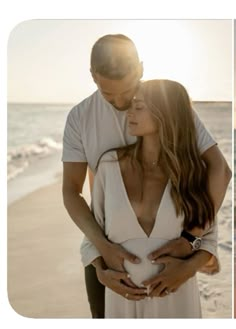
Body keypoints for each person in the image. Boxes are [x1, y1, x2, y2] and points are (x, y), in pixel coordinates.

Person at [62, 34, 231, 318]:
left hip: (168, 250)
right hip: (105, 249)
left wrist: (192, 239)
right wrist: (102, 252)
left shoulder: (166, 105)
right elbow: (71, 190)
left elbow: (219, 169)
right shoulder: (81, 118)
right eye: (108, 94)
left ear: (140, 68)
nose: (121, 102)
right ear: (93, 76)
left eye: (128, 92)